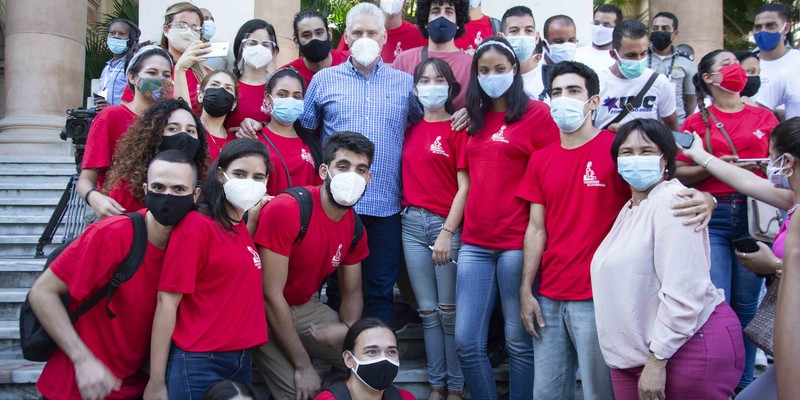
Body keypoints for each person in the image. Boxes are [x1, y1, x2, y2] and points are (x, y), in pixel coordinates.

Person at [517, 61, 717, 400]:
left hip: (600, 298)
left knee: (601, 394)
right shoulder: (540, 159)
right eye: (557, 92)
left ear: (593, 101)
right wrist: (526, 289)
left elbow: (655, 192)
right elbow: (536, 229)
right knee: (546, 393)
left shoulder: (619, 152)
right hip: (549, 294)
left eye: (573, 91)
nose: (563, 98)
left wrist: (706, 198)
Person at [592, 118, 745, 399]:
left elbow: (684, 291)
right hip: (640, 354)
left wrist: (657, 360)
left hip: (681, 350)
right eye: (626, 152)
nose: (636, 159)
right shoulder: (632, 207)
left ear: (666, 159)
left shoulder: (674, 201)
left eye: (647, 151)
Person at [30, 150, 201, 400]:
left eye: (178, 189)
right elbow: (42, 293)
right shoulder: (113, 233)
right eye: (158, 187)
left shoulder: (192, 243)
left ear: (195, 195)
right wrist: (82, 360)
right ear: (145, 190)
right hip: (77, 387)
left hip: (135, 386)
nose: (167, 196)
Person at [300, 2, 425, 325]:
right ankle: (340, 362)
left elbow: (421, 125)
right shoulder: (324, 80)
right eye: (357, 32)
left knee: (381, 288)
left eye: (372, 32)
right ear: (347, 37)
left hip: (386, 204)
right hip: (337, 206)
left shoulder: (404, 83)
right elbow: (304, 129)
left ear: (384, 38)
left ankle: (377, 366)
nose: (365, 38)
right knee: (338, 288)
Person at [455, 37, 559, 400]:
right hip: (475, 244)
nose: (492, 76)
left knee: (519, 341)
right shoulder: (473, 118)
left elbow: (550, 180)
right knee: (466, 342)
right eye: (484, 70)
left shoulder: (538, 115)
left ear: (515, 71)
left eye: (500, 69)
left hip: (518, 244)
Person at [675, 49, 779, 390]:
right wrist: (713, 163)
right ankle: (720, 384)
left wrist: (759, 167)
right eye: (726, 65)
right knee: (717, 303)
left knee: (748, 306)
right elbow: (677, 172)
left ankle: (745, 385)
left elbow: (783, 170)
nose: (736, 70)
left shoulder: (765, 118)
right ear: (708, 79)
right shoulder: (695, 122)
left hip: (757, 215)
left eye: (737, 63)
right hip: (712, 214)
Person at [678, 118, 800, 400]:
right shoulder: (794, 200)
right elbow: (747, 182)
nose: (767, 163)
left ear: (787, 161)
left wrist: (777, 267)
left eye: (770, 156)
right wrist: (701, 155)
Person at [144, 139, 271, 400]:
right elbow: (167, 302)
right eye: (239, 173)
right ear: (221, 175)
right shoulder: (196, 226)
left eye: (258, 176)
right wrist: (156, 381)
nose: (249, 181)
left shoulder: (238, 226)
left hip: (240, 360)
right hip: (200, 362)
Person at [252, 132, 372, 399]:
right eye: (343, 166)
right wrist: (303, 365)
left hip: (306, 307)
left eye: (360, 169)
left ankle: (335, 384)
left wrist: (347, 327)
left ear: (368, 178)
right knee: (302, 392)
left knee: (369, 362)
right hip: (261, 313)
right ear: (323, 171)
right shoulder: (288, 209)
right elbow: (270, 295)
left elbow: (352, 292)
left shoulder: (355, 228)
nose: (351, 176)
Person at [401, 57, 467, 400]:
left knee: (449, 313)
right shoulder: (409, 128)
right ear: (415, 89)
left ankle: (455, 387)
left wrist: (448, 232)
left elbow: (464, 186)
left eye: (438, 80)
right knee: (427, 312)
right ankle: (436, 385)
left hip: (445, 226)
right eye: (424, 80)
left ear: (451, 87)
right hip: (410, 224)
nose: (431, 86)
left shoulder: (458, 128)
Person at [77, 44, 174, 219]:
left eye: (166, 75)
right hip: (119, 219)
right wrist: (95, 198)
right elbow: (85, 180)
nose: (160, 79)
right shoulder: (110, 116)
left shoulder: (172, 121)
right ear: (133, 77)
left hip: (161, 221)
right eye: (152, 73)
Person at [103, 98, 209, 214]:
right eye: (172, 129)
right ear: (154, 135)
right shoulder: (127, 186)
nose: (184, 136)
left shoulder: (204, 186)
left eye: (190, 130)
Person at [594, 19, 677, 132]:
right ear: (613, 54)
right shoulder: (596, 82)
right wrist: (607, 132)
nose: (639, 60)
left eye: (643, 53)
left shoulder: (658, 82)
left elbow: (672, 128)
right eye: (631, 55)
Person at [391, 0, 472, 109]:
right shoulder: (404, 61)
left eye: (449, 12)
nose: (442, 17)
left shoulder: (471, 64)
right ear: (425, 21)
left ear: (458, 22)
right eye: (435, 11)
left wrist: (470, 114)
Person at [313, 318, 415, 400]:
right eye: (372, 352)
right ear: (349, 359)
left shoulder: (404, 397)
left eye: (391, 352)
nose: (384, 359)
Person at [258, 67, 323, 195]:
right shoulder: (254, 138)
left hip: (305, 213)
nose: (290, 100)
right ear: (267, 97)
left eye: (297, 96)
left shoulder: (312, 143)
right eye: (282, 94)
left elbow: (319, 190)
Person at [226, 20, 281, 131]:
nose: (259, 49)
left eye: (266, 45)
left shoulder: (279, 89)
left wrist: (262, 125)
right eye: (252, 43)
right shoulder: (227, 86)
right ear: (240, 47)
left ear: (273, 51)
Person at [336, 0, 427, 64]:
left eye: (372, 33)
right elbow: (339, 62)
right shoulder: (356, 33)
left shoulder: (419, 34)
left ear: (384, 37)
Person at [751, 3, 800, 121]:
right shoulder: (744, 64)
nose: (763, 31)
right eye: (758, 27)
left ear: (786, 28)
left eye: (770, 26)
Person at [647, 12, 697, 126]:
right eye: (655, 28)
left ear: (675, 33)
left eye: (665, 28)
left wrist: (690, 127)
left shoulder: (686, 62)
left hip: (676, 125)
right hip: (645, 124)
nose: (659, 32)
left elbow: (691, 100)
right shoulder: (640, 57)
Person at [162, 2, 209, 117]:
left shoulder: (206, 74)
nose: (188, 32)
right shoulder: (151, 69)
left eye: (195, 28)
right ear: (166, 30)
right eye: (181, 26)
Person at [283, 9, 351, 88]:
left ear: (329, 34)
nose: (314, 39)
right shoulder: (287, 76)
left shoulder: (350, 62)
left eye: (319, 33)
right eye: (306, 35)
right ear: (296, 41)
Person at [500, 6, 542, 101]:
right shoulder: (495, 79)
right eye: (514, 31)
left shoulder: (549, 78)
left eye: (528, 31)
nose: (522, 36)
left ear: (536, 37)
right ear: (501, 37)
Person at [97, 19, 140, 109]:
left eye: (122, 34)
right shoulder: (107, 67)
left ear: (131, 39)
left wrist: (113, 109)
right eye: (112, 33)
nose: (116, 37)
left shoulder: (133, 65)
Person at [198, 70, 239, 161]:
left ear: (233, 104)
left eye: (228, 88)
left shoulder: (235, 143)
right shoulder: (191, 130)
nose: (221, 90)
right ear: (200, 96)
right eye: (214, 85)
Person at [536, 15, 578, 102]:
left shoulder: (585, 69)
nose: (566, 46)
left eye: (571, 41)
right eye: (559, 42)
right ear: (545, 44)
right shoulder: (533, 71)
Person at [574, 4, 621, 76]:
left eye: (606, 25)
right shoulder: (575, 54)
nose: (599, 29)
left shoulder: (619, 60)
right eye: (596, 23)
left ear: (617, 28)